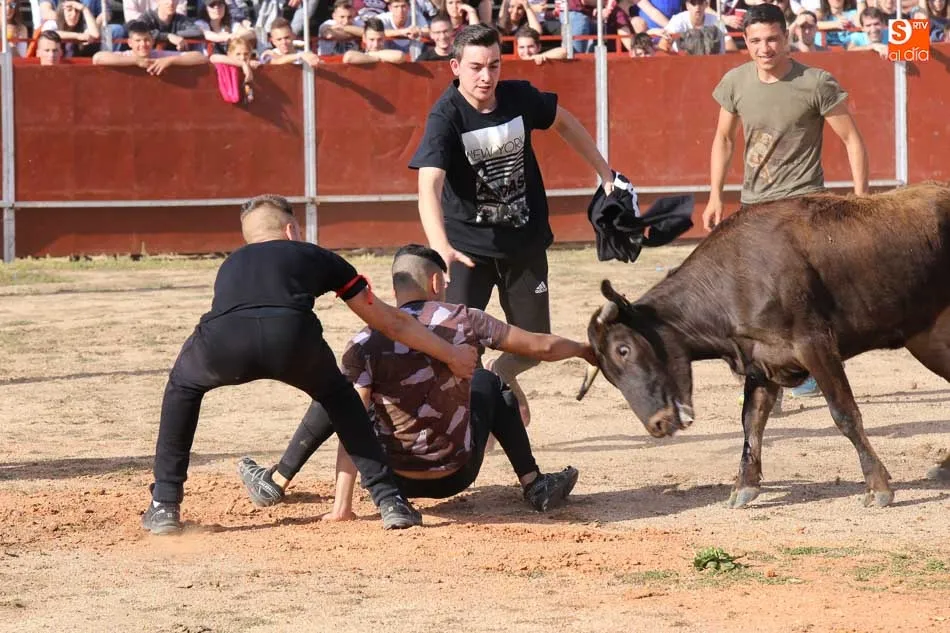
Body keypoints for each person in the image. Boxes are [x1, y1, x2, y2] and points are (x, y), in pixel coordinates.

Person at [141, 196, 478, 535]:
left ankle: (165, 503)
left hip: (225, 343)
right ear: (292, 230)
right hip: (292, 339)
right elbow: (391, 323)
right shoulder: (314, 255)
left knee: (182, 387)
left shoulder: (230, 264)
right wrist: (450, 354)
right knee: (341, 399)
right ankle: (390, 500)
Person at [236, 244, 592, 518]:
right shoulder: (466, 320)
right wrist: (584, 349)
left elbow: (350, 422)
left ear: (395, 288)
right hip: (457, 474)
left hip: (391, 482)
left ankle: (278, 479)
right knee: (490, 380)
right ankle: (534, 484)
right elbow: (542, 346)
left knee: (340, 393)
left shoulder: (364, 339)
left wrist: (341, 504)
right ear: (436, 282)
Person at [407, 23, 616, 428]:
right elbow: (428, 185)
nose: (486, 76)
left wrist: (605, 174)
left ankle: (501, 375)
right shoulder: (446, 116)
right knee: (456, 343)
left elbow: (565, 122)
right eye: (476, 67)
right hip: (467, 250)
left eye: (494, 65)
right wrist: (441, 247)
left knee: (533, 345)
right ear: (455, 67)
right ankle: (479, 419)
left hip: (524, 244)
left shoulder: (519, 96)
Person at [701, 2, 869, 400]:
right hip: (755, 207)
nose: (765, 48)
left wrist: (861, 198)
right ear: (745, 41)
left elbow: (852, 139)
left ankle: (810, 367)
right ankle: (769, 376)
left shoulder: (816, 82)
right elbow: (723, 139)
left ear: (787, 37)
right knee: (757, 298)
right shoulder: (736, 82)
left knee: (804, 295)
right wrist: (714, 195)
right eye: (756, 41)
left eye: (772, 39)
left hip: (803, 206)